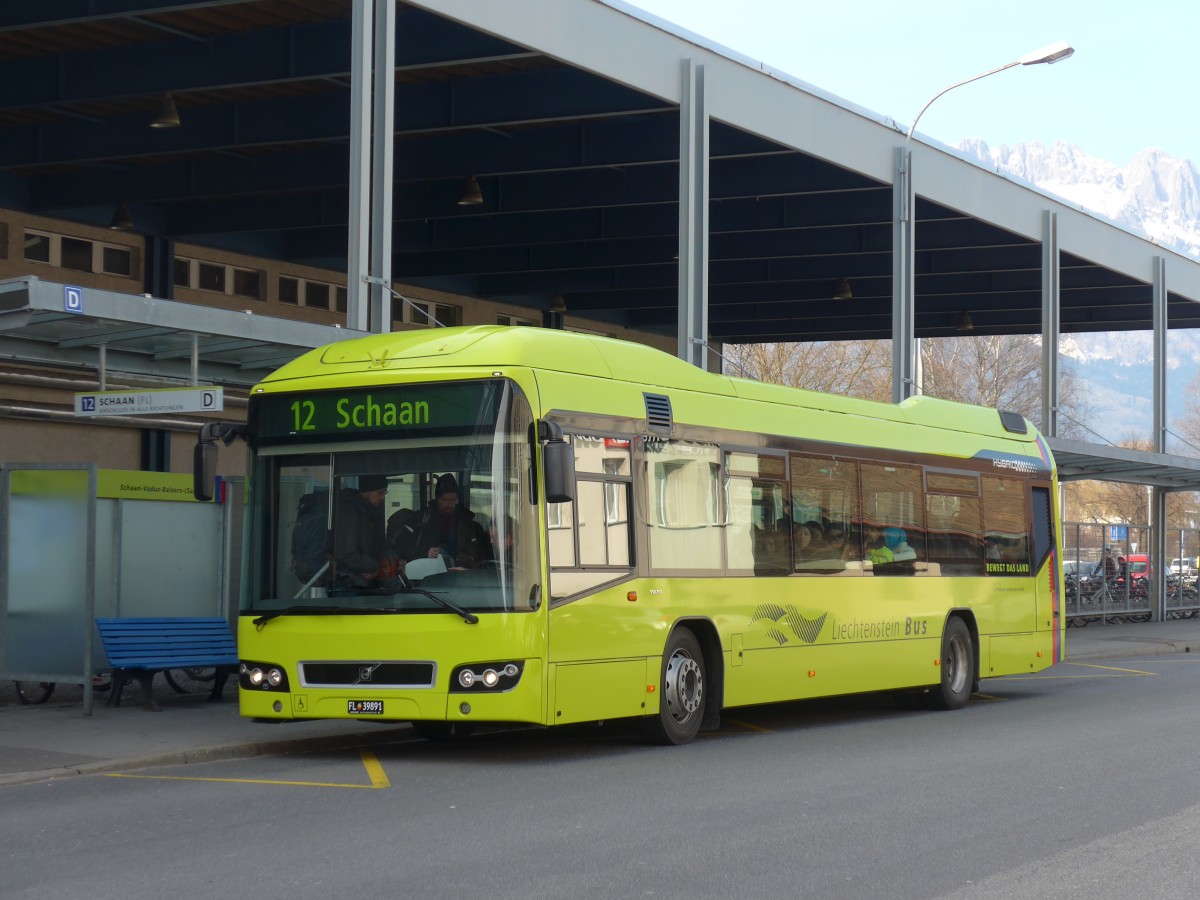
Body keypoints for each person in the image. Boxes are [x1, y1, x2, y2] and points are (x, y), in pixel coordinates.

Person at [413, 473, 491, 570]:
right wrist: (425, 552)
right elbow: (402, 547)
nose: (449, 504)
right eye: (445, 500)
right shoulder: (421, 520)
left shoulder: (470, 524)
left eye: (453, 500)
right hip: (426, 575)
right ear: (437, 498)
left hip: (464, 576)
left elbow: (483, 555)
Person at [331, 474, 392, 586]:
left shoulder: (365, 511)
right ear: (367, 491)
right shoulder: (351, 511)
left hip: (355, 580)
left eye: (385, 493)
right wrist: (373, 567)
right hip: (347, 582)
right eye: (380, 492)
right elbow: (347, 554)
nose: (383, 497)